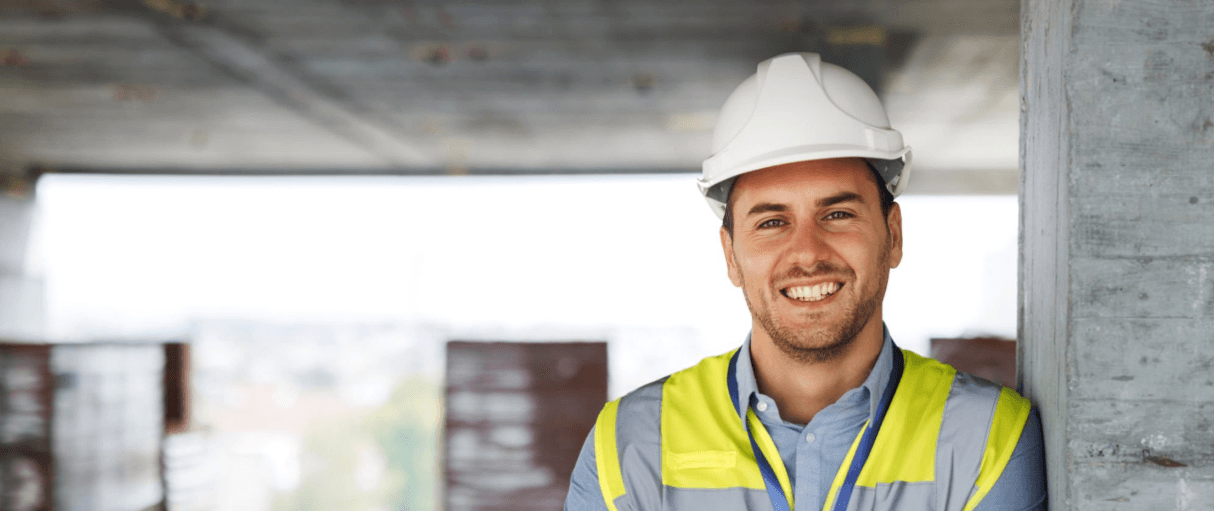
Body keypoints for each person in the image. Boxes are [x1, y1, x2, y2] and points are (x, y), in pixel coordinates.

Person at [563, 53, 1046, 511]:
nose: (808, 253)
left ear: (892, 236)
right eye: (772, 222)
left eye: (837, 214)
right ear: (731, 255)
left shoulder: (986, 437)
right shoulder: (633, 443)